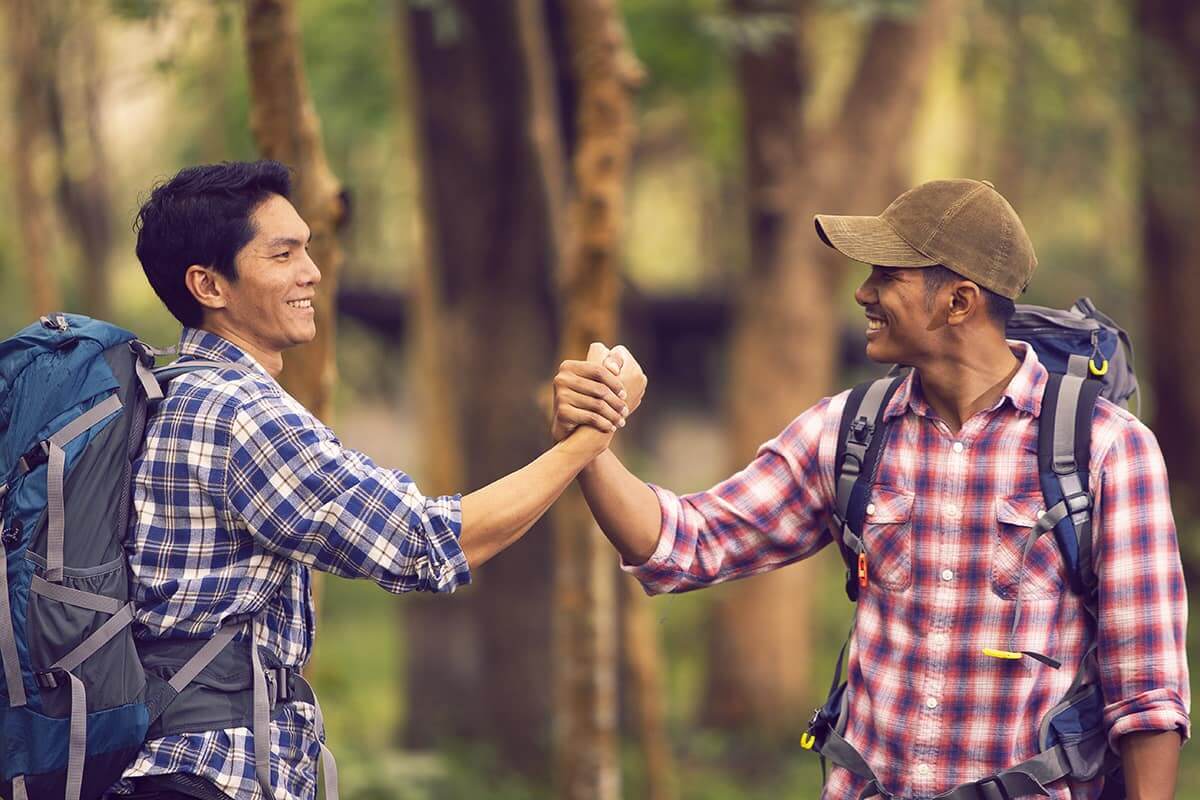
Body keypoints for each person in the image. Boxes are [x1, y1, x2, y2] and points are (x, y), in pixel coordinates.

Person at [552, 179, 1189, 799]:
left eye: (887, 276)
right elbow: (686, 542)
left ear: (958, 302)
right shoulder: (849, 431)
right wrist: (588, 447)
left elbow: (1148, 691)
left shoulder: (1106, 447)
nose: (863, 292)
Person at [111, 160, 641, 800]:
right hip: (207, 776)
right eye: (283, 255)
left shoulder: (168, 390)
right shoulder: (240, 415)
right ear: (209, 285)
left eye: (308, 248)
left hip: (165, 764)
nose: (312, 271)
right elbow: (427, 542)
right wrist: (589, 438)